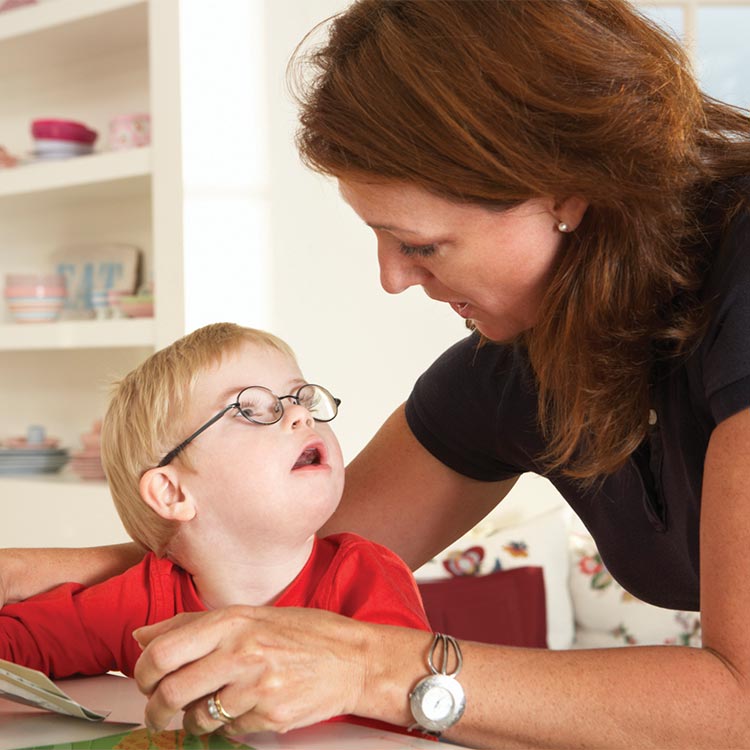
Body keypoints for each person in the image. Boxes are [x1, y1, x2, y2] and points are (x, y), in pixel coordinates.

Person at [2, 0, 750, 746]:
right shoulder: (521, 366)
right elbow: (295, 547)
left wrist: (370, 665)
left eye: (419, 244)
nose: (391, 278)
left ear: (563, 188)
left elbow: (739, 697)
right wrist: (74, 568)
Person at [0, 322, 430, 735]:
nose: (300, 414)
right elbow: (15, 648)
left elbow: (413, 715)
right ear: (172, 493)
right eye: (249, 409)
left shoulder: (368, 576)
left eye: (301, 397)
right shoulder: (144, 597)